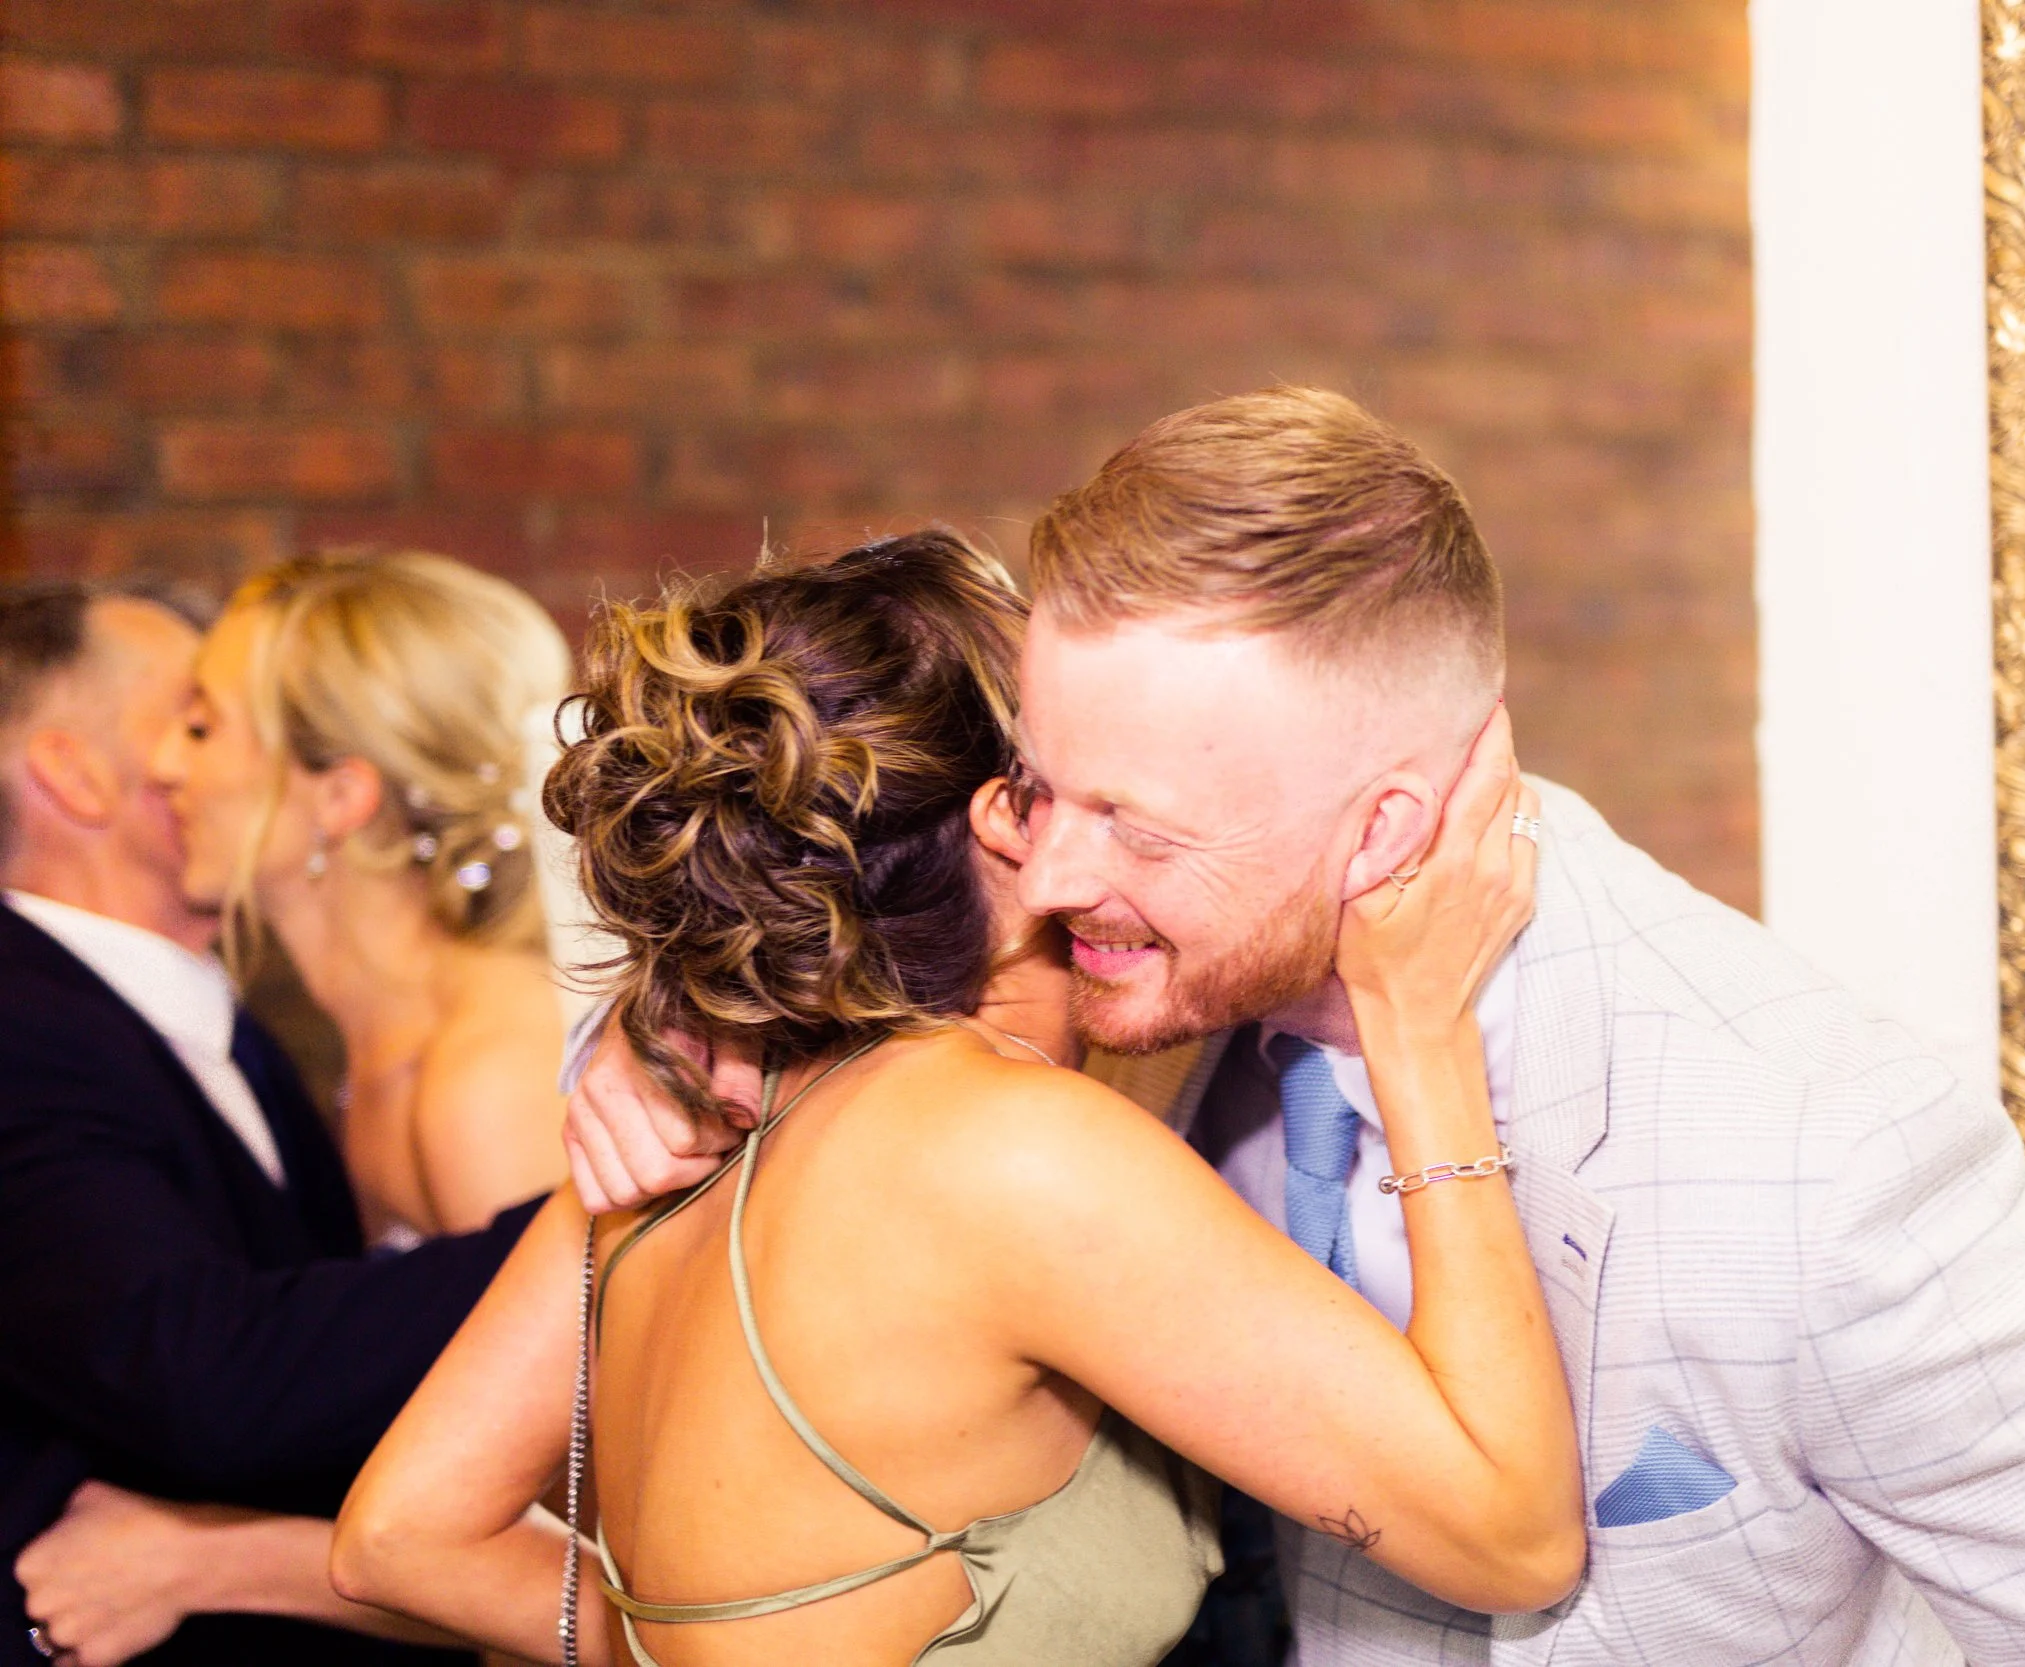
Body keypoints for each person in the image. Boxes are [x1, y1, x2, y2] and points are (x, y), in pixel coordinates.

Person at [569, 388, 2025, 1665]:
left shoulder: (1818, 1152)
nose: (1041, 867)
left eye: (1138, 828)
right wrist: (666, 1026)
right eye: (1041, 783)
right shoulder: (1148, 1008)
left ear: (1388, 833)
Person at [331, 531, 1582, 1666]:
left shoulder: (684, 1128)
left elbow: (398, 1536)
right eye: (1072, 772)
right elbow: (1511, 1539)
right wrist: (1420, 1035)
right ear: (1004, 823)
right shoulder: (1011, 1154)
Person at [0, 580, 533, 1666]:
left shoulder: (450, 1060)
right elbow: (199, 1369)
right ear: (71, 772)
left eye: (212, 722)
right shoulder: (36, 1026)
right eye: (178, 716)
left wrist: (616, 1235)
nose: (183, 763)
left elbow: (577, 1512)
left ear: (340, 792)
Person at [152, 550, 575, 1243]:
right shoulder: (388, 1036)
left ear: (342, 796)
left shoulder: (489, 1084)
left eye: (203, 726)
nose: (166, 764)